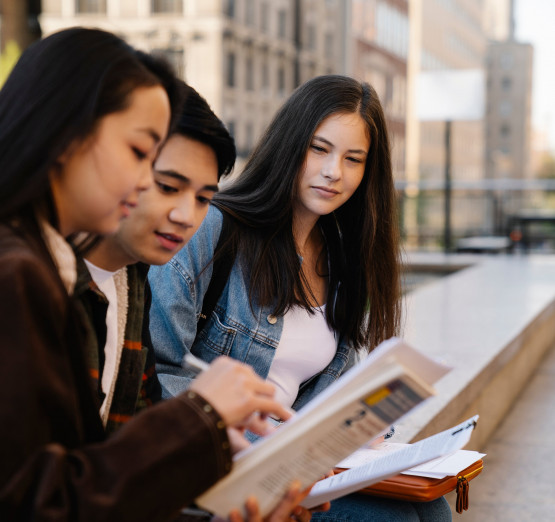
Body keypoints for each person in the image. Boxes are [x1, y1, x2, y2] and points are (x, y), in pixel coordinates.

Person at [0, 27, 301, 522]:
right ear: (64, 133)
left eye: (205, 197)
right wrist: (198, 417)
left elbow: (100, 474)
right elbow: (45, 500)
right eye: (143, 158)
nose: (143, 184)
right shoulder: (20, 273)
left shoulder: (123, 283)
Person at [149, 75, 452, 521]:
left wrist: (359, 431)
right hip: (220, 464)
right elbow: (160, 372)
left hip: (296, 463)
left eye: (354, 159)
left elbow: (326, 395)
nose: (334, 172)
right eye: (319, 149)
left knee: (433, 509)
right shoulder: (212, 230)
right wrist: (260, 448)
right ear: (291, 144)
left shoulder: (343, 261)